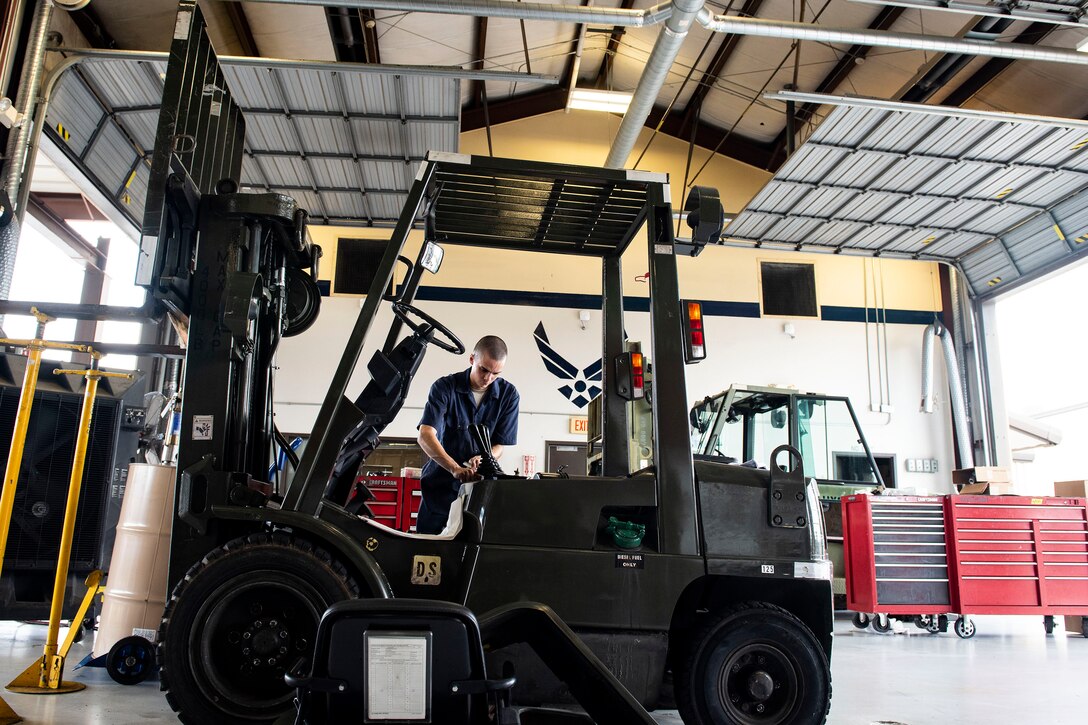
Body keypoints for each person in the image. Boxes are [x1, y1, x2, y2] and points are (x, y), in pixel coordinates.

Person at [416, 335, 519, 534]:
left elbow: (500, 446)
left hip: (480, 492)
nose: (488, 378)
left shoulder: (509, 395)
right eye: (484, 370)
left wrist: (485, 458)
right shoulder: (444, 388)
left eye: (496, 374)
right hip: (440, 488)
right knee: (429, 550)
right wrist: (454, 468)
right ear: (472, 359)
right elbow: (425, 435)